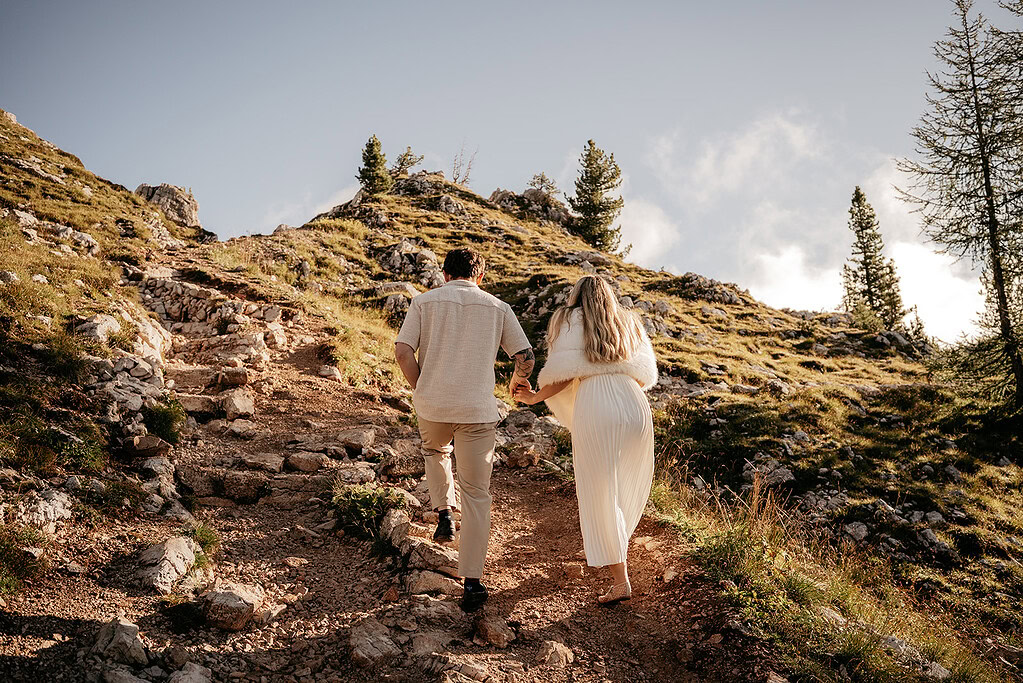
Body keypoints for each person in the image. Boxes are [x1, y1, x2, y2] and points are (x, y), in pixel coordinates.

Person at [394, 247, 534, 611]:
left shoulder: (424, 302)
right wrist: (518, 383)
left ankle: (443, 513)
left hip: (433, 405)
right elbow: (526, 356)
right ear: (481, 277)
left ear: (444, 275)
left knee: (435, 452)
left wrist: (420, 386)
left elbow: (403, 351)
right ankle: (472, 581)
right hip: (476, 410)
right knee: (477, 493)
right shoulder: (498, 307)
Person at [514, 275, 657, 604]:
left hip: (597, 403)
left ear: (576, 296)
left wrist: (535, 397)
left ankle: (620, 579)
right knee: (628, 482)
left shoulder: (568, 318)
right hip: (635, 404)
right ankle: (616, 542)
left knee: (599, 491)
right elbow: (643, 370)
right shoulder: (629, 321)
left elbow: (565, 370)